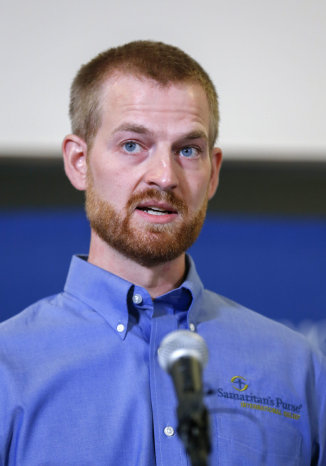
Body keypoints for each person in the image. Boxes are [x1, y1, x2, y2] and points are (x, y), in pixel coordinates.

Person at [0, 40, 325, 466]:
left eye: (187, 150)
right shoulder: (8, 367)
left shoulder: (298, 368)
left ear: (213, 173)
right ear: (79, 161)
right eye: (133, 145)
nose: (164, 176)